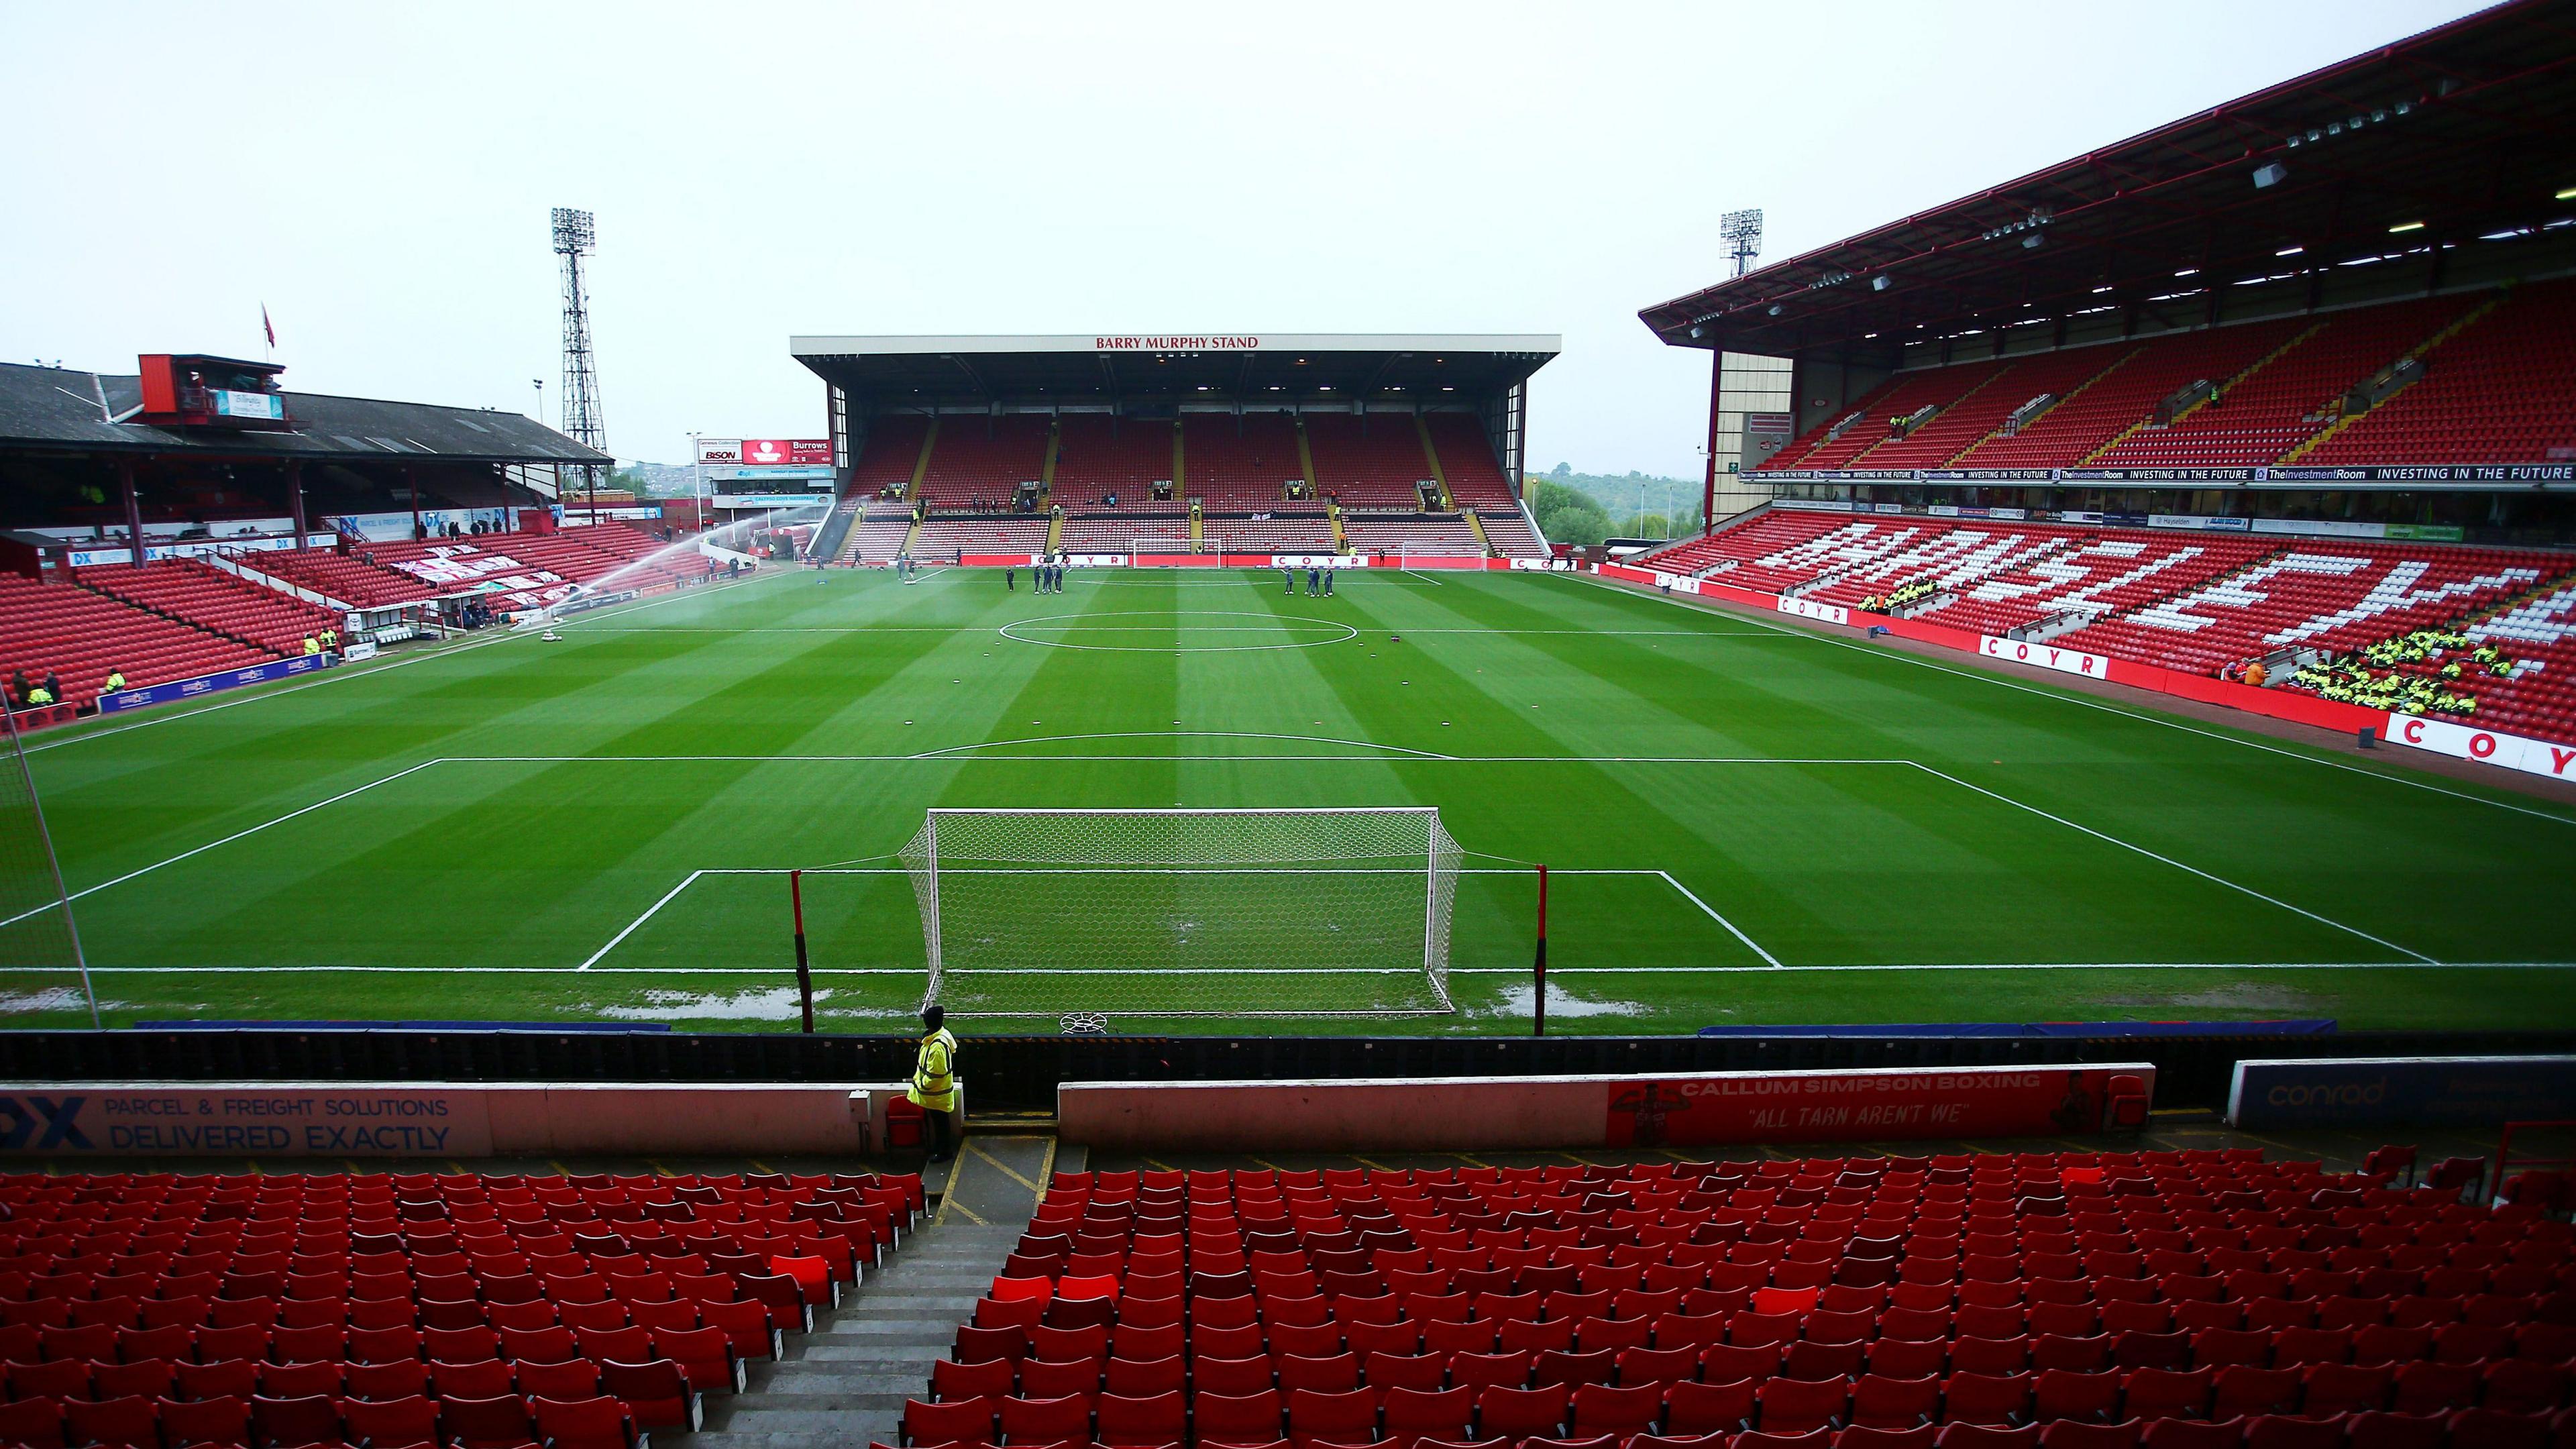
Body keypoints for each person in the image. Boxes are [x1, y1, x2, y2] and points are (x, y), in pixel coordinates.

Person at [910, 1005, 961, 1163]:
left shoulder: (937, 1046)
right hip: (937, 1095)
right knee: (940, 1124)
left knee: (941, 1125)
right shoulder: (940, 1037)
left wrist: (922, 1084)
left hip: (935, 1095)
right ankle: (941, 1148)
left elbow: (937, 1074)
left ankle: (944, 1152)